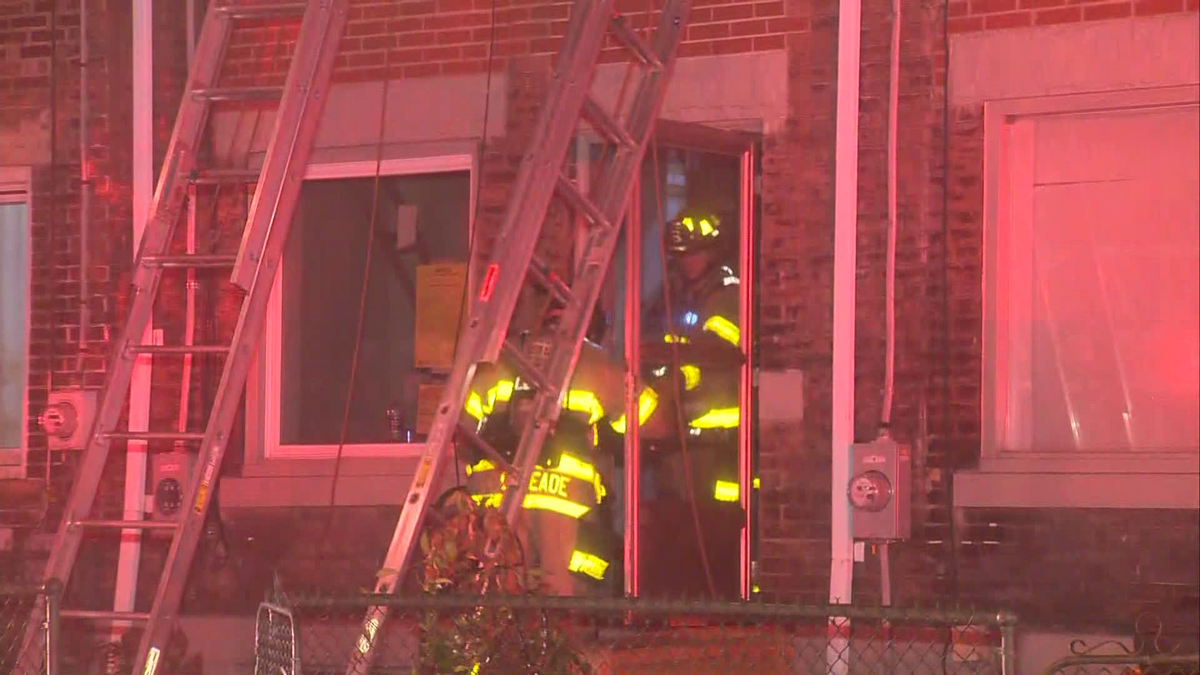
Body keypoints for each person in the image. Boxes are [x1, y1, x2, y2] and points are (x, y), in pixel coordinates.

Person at [460, 301, 658, 596]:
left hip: (498, 496)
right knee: (561, 594)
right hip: (565, 501)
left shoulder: (502, 355)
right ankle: (555, 639)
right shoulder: (597, 362)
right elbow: (649, 416)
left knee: (499, 592)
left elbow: (462, 423)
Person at [640, 204, 746, 598]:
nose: (687, 263)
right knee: (678, 520)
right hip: (681, 438)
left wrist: (667, 385)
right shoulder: (675, 297)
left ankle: (721, 602)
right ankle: (684, 600)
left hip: (720, 442)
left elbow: (707, 353)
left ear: (714, 253)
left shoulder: (727, 298)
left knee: (716, 525)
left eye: (694, 254)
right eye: (681, 256)